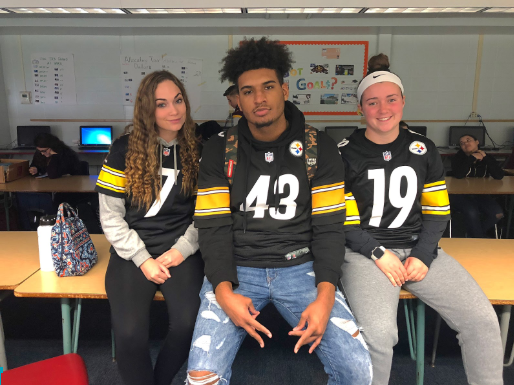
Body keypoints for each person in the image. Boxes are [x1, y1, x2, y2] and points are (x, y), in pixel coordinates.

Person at [187, 37, 372, 385]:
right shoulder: (218, 149)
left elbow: (331, 228)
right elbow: (212, 228)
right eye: (248, 91)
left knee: (357, 370)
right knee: (201, 377)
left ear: (284, 90)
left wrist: (326, 293)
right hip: (237, 270)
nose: (259, 98)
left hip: (300, 267)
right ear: (237, 100)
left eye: (268, 87)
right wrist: (224, 293)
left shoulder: (320, 147)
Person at [339, 54, 503, 385]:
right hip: (365, 254)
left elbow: (438, 211)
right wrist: (377, 253)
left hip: (419, 250)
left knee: (482, 321)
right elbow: (343, 221)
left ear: (403, 102)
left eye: (391, 99)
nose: (383, 109)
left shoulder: (423, 149)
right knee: (379, 336)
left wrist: (423, 254)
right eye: (372, 102)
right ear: (360, 109)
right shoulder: (343, 152)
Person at [95, 71, 204, 385]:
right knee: (128, 334)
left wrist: (182, 250)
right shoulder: (122, 151)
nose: (174, 111)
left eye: (178, 100)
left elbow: (206, 214)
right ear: (147, 110)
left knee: (189, 323)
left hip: (181, 250)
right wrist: (142, 258)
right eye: (162, 104)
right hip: (132, 252)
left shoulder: (198, 149)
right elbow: (110, 218)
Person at [18, 133, 82, 230]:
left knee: (58, 201)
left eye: (44, 151)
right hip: (46, 187)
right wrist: (35, 170)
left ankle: (61, 227)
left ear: (52, 147)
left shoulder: (66, 154)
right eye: (39, 151)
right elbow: (35, 166)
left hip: (66, 189)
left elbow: (53, 174)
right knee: (25, 196)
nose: (42, 153)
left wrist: (53, 155)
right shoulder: (41, 152)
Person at [450, 134, 504, 237]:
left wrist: (485, 158)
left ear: (477, 142)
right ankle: (478, 239)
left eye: (468, 140)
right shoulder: (457, 158)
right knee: (472, 212)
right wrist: (471, 158)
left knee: (497, 213)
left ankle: (475, 235)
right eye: (462, 143)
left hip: (481, 195)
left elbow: (499, 176)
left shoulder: (487, 157)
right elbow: (459, 175)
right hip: (460, 195)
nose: (466, 144)